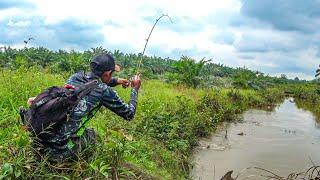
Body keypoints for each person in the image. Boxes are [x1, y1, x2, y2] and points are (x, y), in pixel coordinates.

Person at [34, 53, 141, 162]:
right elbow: (129, 114)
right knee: (92, 135)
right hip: (58, 150)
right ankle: (77, 163)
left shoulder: (75, 77)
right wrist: (135, 89)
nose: (112, 76)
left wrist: (116, 80)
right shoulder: (103, 91)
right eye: (112, 74)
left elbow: (93, 83)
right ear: (107, 74)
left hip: (42, 138)